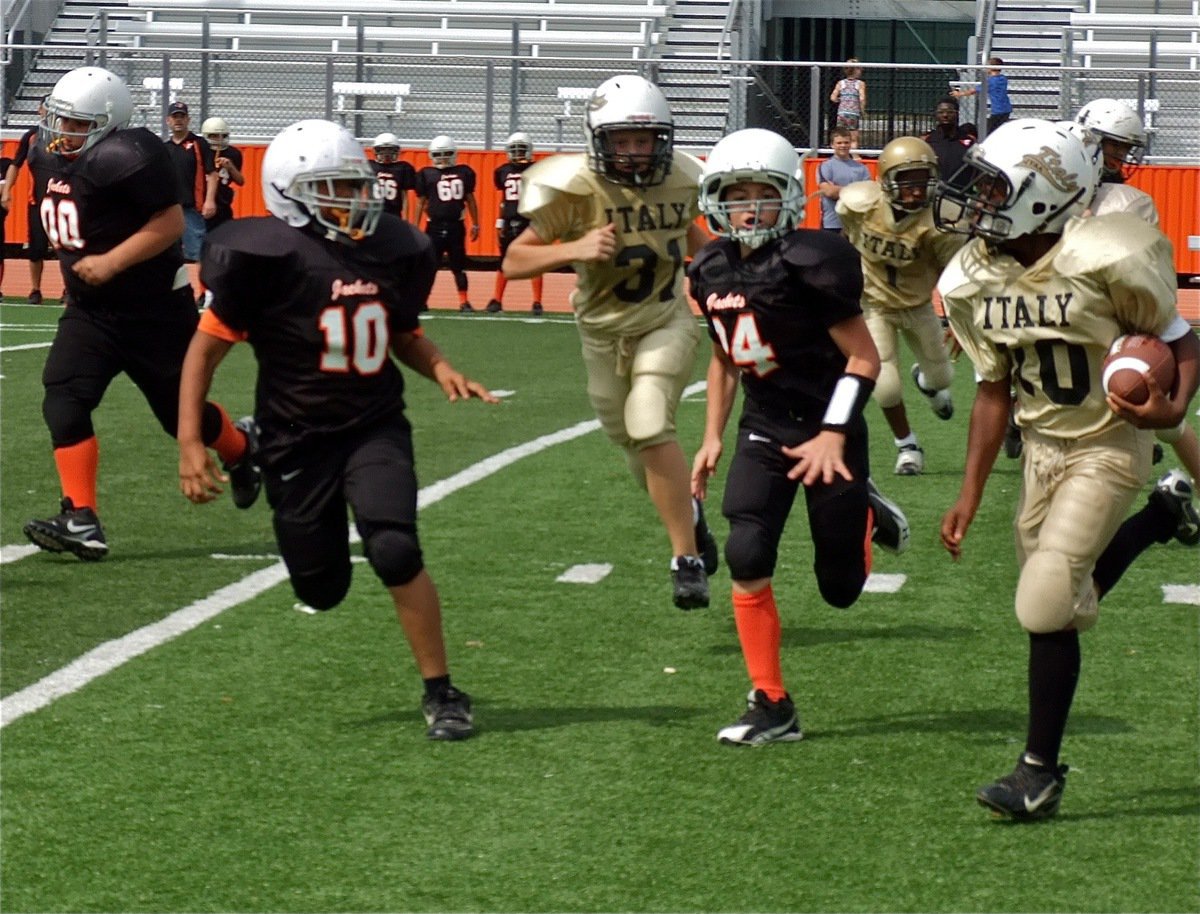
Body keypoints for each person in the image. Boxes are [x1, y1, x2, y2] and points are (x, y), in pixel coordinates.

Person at [178, 118, 495, 741]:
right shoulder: (261, 258)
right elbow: (203, 353)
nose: (352, 200)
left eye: (354, 186)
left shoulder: (394, 248)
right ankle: (256, 445)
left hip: (374, 425)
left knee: (395, 547)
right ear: (287, 195)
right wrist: (191, 440)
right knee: (321, 590)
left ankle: (443, 691)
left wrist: (442, 368)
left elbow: (402, 334)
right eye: (332, 188)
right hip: (295, 436)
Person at [934, 118, 1199, 820]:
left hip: (1109, 444)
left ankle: (1038, 772)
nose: (980, 202)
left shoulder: (1109, 251)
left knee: (1047, 601)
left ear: (1047, 192)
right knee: (1059, 604)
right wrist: (967, 493)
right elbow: (992, 390)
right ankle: (1160, 522)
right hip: (1043, 450)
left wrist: (1170, 407)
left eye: (995, 188)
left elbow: (1181, 336)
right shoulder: (973, 275)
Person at [688, 128, 910, 744]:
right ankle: (771, 702)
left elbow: (865, 360)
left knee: (840, 590)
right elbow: (724, 356)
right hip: (764, 427)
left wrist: (836, 432)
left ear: (788, 199)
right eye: (736, 195)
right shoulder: (709, 267)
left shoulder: (812, 261)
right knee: (746, 553)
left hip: (829, 426)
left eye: (763, 194)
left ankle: (863, 512)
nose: (748, 207)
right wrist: (711, 436)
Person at [21, 66, 257, 562]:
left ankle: (242, 450)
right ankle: (81, 517)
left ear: (109, 124)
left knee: (180, 420)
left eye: (78, 124)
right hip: (91, 311)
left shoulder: (128, 156)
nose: (63, 132)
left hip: (154, 312)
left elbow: (171, 223)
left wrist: (111, 261)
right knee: (63, 395)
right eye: (60, 120)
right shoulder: (46, 156)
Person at [502, 73, 719, 610]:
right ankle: (689, 517)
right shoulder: (576, 189)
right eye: (621, 141)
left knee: (649, 421)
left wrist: (731, 281)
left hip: (665, 322)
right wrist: (573, 247)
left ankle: (685, 560)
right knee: (632, 448)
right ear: (599, 140)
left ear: (661, 140)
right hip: (600, 333)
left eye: (643, 140)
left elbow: (699, 241)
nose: (634, 152)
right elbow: (513, 261)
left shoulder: (682, 179)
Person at [836, 136, 962, 475]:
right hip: (874, 305)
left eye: (923, 180)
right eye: (908, 181)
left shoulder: (941, 221)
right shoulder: (860, 204)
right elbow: (846, 236)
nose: (916, 190)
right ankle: (907, 446)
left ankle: (926, 382)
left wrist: (962, 321)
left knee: (941, 377)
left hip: (919, 305)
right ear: (887, 180)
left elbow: (955, 274)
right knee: (885, 385)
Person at [3, 97, 64, 304]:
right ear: (40, 110)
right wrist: (7, 191)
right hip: (36, 201)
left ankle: (68, 289)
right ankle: (35, 290)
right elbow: (15, 164)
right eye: (47, 107)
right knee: (36, 249)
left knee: (64, 248)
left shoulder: (67, 135)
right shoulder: (32, 136)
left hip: (61, 201)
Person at [414, 135, 479, 312]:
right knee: (429, 267)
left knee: (459, 266)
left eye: (446, 154)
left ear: (454, 154)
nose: (442, 158)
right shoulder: (426, 174)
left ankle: (464, 301)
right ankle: (422, 300)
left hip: (456, 226)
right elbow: (421, 202)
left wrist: (476, 224)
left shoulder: (463, 172)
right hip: (434, 225)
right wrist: (414, 226)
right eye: (439, 154)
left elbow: (471, 200)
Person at [485, 131, 544, 314]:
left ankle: (536, 302)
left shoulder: (537, 169)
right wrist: (500, 222)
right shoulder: (503, 171)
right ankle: (497, 300)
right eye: (515, 150)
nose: (518, 153)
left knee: (534, 262)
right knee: (504, 261)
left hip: (530, 219)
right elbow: (503, 200)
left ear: (529, 151)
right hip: (510, 220)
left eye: (522, 150)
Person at [163, 100, 218, 263]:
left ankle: (197, 287)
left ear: (188, 119)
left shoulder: (198, 144)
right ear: (168, 121)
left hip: (191, 209)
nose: (178, 120)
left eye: (182, 116)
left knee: (195, 255)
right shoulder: (164, 148)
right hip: (169, 210)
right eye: (174, 117)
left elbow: (212, 174)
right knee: (169, 255)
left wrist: (209, 201)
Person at [816, 126, 870, 233]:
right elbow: (829, 192)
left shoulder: (862, 169)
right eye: (839, 143)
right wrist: (855, 191)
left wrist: (838, 189)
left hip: (855, 225)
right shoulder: (825, 166)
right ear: (832, 145)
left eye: (846, 142)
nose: (843, 146)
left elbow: (867, 196)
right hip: (831, 224)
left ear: (850, 144)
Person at [200, 116, 244, 232]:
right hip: (201, 202)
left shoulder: (233, 153)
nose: (218, 139)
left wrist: (231, 167)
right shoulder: (201, 151)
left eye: (222, 135)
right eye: (214, 136)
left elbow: (240, 181)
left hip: (223, 203)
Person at [923, 96, 977, 184]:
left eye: (950, 112)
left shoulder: (969, 140)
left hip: (962, 193)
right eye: (941, 112)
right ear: (936, 115)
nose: (945, 115)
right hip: (936, 192)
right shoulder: (927, 141)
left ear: (957, 114)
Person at [951, 57, 1013, 133]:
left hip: (998, 110)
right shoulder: (1003, 78)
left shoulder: (990, 81)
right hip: (1006, 109)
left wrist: (959, 93)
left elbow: (973, 91)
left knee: (989, 131)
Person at [369, 131, 416, 222]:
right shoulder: (370, 166)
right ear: (376, 151)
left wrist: (405, 221)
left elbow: (405, 197)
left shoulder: (402, 168)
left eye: (390, 151)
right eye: (383, 151)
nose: (386, 155)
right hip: (373, 211)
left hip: (394, 212)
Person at [829, 58, 866, 153]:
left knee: (840, 135)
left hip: (842, 113)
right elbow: (862, 98)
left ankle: (839, 153)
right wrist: (862, 110)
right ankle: (855, 156)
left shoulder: (841, 83)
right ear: (857, 70)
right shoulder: (860, 84)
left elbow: (833, 97)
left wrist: (840, 100)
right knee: (853, 136)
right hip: (853, 113)